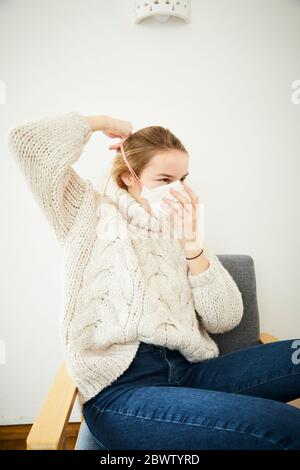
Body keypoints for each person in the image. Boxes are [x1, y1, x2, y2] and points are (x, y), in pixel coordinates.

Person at [9, 112, 300, 450]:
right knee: (286, 425)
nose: (177, 189)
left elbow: (225, 319)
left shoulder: (182, 231)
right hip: (124, 391)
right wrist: (102, 123)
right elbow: (27, 142)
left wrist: (193, 247)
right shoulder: (86, 213)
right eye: (164, 179)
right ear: (129, 177)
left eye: (183, 178)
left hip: (190, 374)